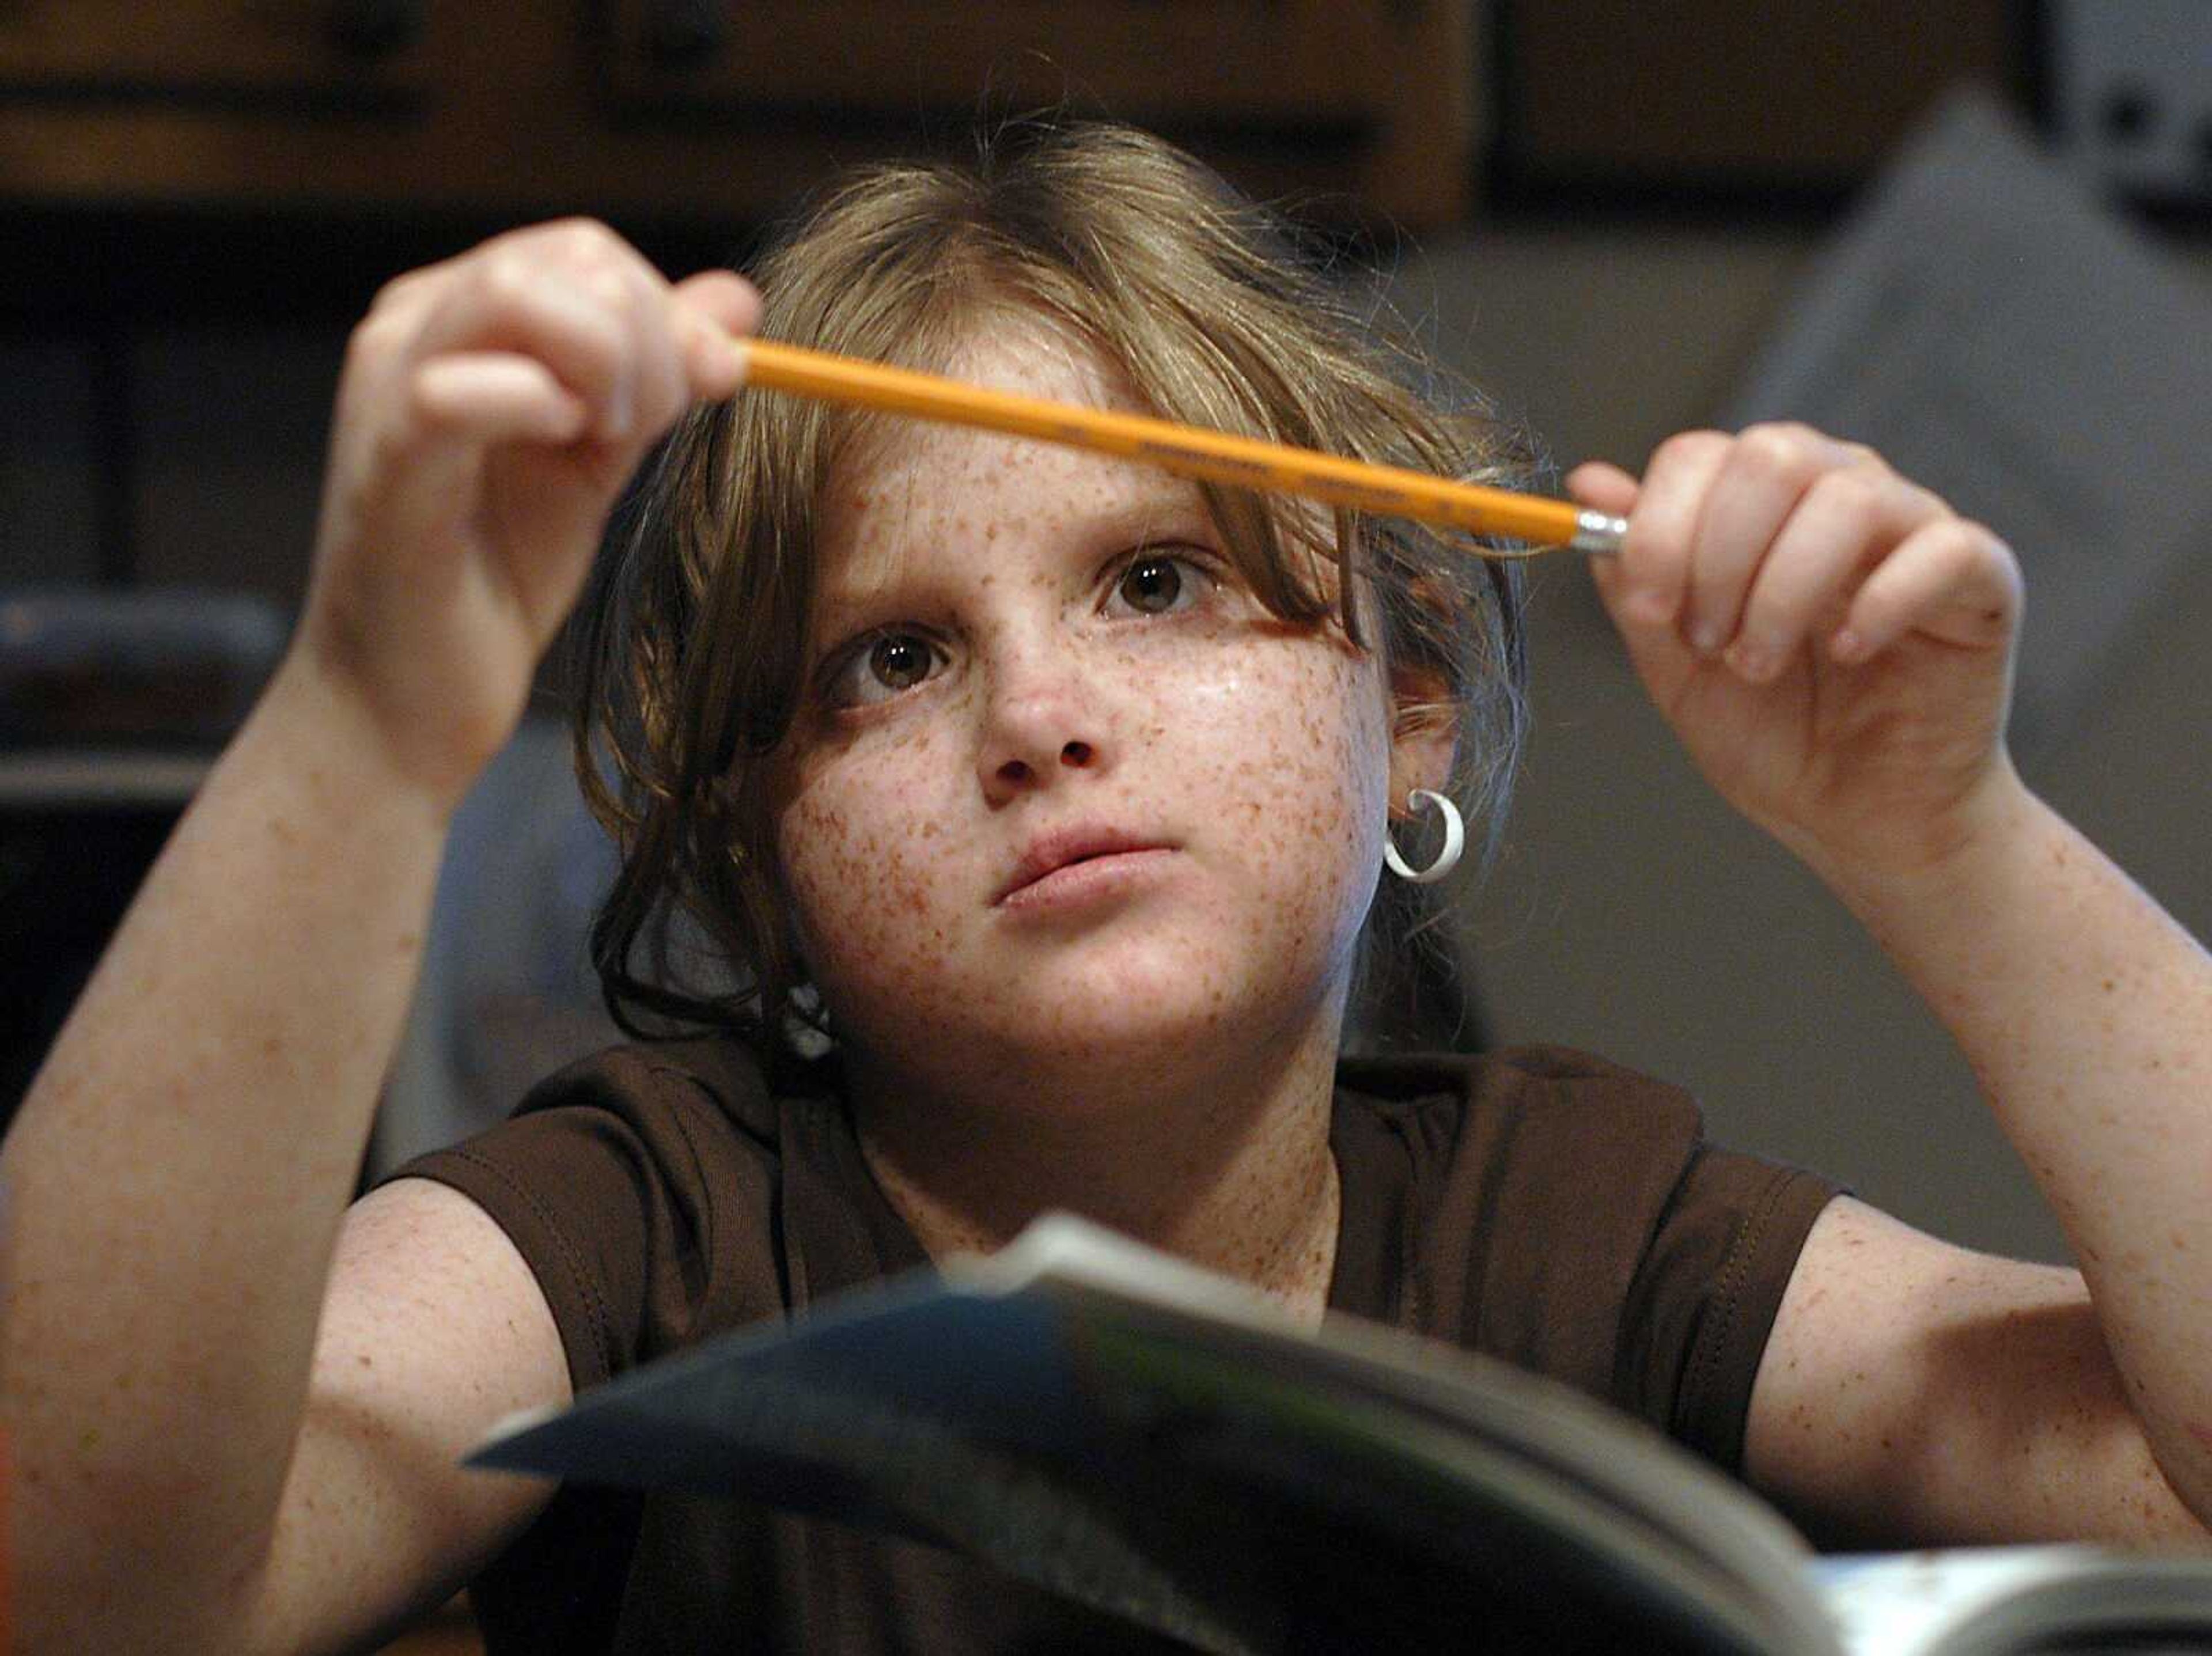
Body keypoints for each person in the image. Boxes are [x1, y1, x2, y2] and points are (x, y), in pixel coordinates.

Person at [6, 120, 2211, 1654]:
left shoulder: (1589, 1224)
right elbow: (81, 1591)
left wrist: (1951, 838)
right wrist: (369, 715)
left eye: (1156, 576)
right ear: (759, 837)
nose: (1035, 716)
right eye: (892, 656)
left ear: (1413, 689)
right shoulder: (637, 1224)